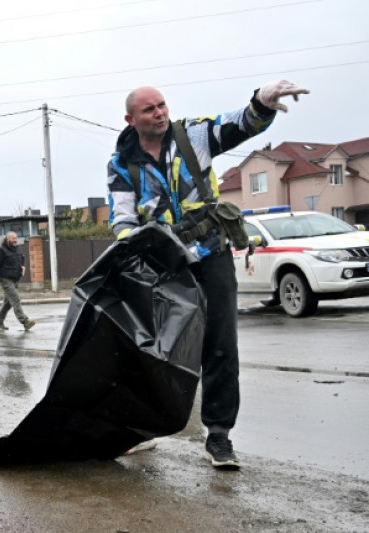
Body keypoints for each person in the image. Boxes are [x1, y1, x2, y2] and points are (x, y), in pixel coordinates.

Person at [107, 80, 308, 469]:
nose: (160, 113)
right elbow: (123, 218)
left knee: (220, 344)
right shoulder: (121, 163)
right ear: (131, 119)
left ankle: (218, 436)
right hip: (165, 264)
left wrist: (261, 104)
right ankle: (140, 429)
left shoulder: (192, 134)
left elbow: (239, 124)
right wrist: (132, 246)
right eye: (150, 110)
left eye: (162, 104)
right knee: (153, 349)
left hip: (211, 251)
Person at [0, 231, 36, 331]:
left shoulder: (16, 249)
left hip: (15, 279)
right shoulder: (2, 251)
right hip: (5, 279)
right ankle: (25, 322)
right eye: (13, 238)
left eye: (16, 238)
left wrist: (23, 266)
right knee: (16, 299)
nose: (15, 240)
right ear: (7, 239)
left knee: (7, 304)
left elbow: (22, 257)